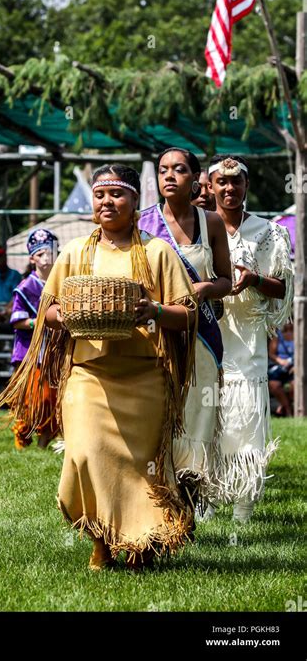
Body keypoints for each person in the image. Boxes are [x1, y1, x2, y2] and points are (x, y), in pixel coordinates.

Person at [0, 164, 198, 571]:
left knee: (141, 467)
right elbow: (48, 310)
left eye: (117, 194)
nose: (107, 202)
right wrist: (65, 317)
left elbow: (187, 313)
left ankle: (142, 542)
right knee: (84, 456)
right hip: (88, 376)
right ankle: (101, 540)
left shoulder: (157, 252)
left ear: (136, 202)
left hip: (144, 376)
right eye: (100, 194)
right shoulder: (74, 254)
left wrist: (153, 310)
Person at [139, 148, 232, 511]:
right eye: (163, 170)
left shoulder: (210, 223)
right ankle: (154, 501)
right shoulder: (143, 223)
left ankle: (188, 504)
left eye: (179, 169)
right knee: (157, 416)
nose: (169, 176)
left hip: (201, 339)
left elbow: (226, 280)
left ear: (196, 179)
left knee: (196, 418)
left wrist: (207, 288)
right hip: (155, 335)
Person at [208, 155, 293, 522]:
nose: (229, 189)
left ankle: (242, 507)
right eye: (221, 183)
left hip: (249, 339)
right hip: (209, 335)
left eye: (236, 182)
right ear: (210, 187)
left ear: (246, 186)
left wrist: (254, 279)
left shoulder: (268, 231)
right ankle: (205, 500)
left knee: (245, 419)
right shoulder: (198, 228)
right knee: (206, 417)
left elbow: (283, 288)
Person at [9, 228, 59, 450]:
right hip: (29, 351)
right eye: (41, 254)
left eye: (49, 253)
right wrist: (38, 322)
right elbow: (17, 321)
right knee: (29, 398)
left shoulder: (61, 283)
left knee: (51, 398)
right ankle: (22, 440)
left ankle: (43, 443)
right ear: (32, 258)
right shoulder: (24, 288)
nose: (46, 258)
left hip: (53, 350)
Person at [268, 322, 294, 417]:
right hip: (279, 366)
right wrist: (281, 361)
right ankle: (287, 410)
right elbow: (271, 354)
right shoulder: (278, 335)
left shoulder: (299, 333)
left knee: (295, 386)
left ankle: (285, 406)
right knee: (274, 385)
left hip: (294, 367)